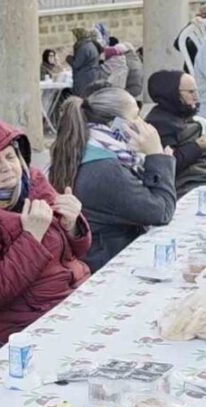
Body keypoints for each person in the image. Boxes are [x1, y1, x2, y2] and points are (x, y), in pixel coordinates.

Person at [0, 106, 92, 342]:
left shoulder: (33, 182)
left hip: (74, 296)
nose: (6, 167)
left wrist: (72, 225)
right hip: (30, 321)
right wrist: (31, 238)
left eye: (10, 156)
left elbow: (76, 252)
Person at [49, 86, 176, 272]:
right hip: (107, 264)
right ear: (115, 124)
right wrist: (157, 155)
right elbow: (161, 211)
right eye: (135, 117)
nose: (143, 124)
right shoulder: (104, 169)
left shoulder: (87, 147)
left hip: (98, 254)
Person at [146, 71, 206, 197]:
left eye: (196, 91)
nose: (196, 97)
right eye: (190, 92)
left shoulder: (177, 114)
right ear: (171, 94)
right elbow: (168, 164)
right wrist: (198, 146)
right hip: (184, 187)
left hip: (199, 178)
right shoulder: (160, 122)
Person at [69, 28, 105, 97]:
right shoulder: (90, 45)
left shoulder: (84, 48)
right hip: (91, 75)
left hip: (84, 78)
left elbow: (76, 64)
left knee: (83, 98)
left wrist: (69, 59)